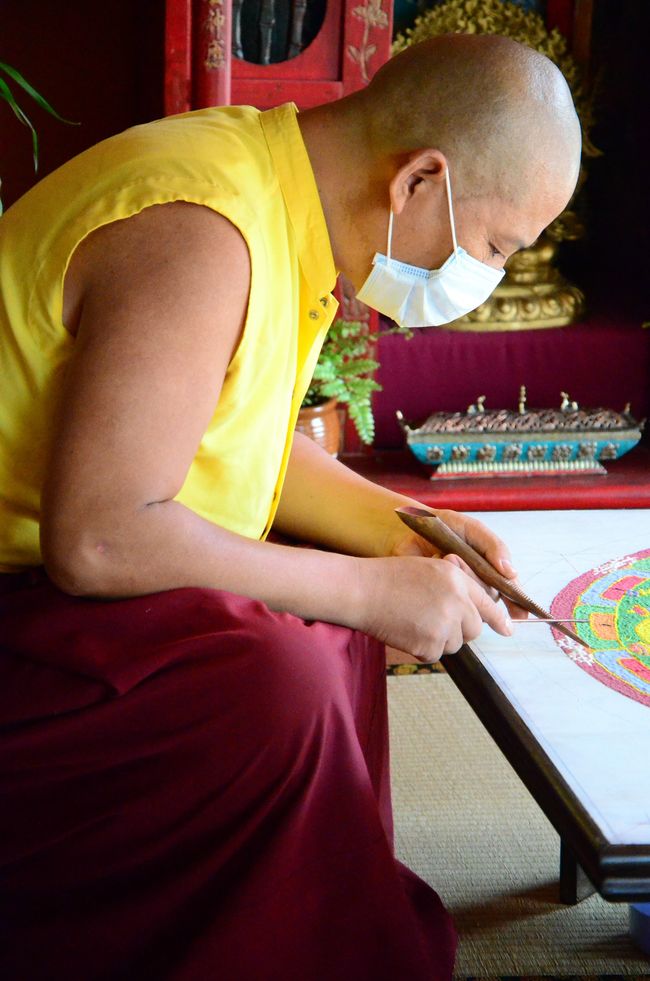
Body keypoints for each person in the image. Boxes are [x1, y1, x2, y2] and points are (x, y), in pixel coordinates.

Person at [0, 32, 581, 981]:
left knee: (337, 621)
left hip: (62, 566)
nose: (483, 283)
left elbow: (221, 438)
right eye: (494, 246)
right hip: (31, 591)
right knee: (286, 682)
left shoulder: (272, 180)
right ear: (419, 182)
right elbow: (99, 537)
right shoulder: (205, 230)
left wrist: (400, 533)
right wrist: (364, 593)